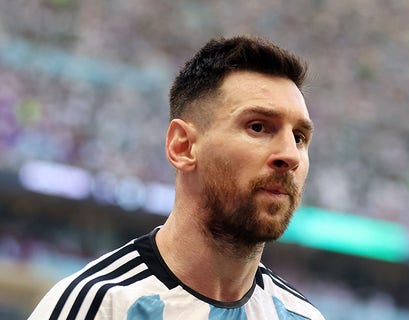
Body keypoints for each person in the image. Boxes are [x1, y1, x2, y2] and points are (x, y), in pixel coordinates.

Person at [29, 35, 325, 320]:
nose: (291, 155)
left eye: (299, 137)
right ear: (182, 146)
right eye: (258, 127)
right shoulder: (98, 307)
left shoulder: (303, 316)